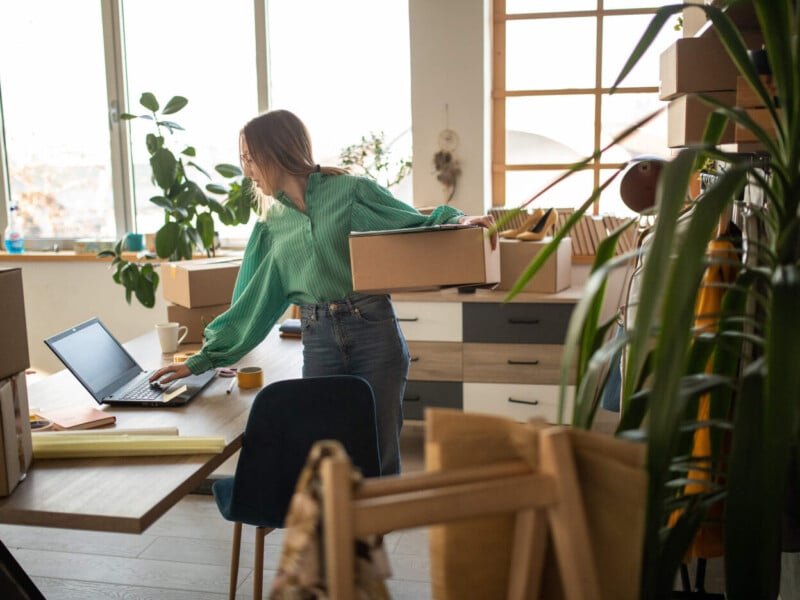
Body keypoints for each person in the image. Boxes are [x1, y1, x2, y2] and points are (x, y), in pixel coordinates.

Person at [150, 109, 496, 475]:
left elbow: (409, 221)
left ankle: (375, 529)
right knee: (327, 460)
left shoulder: (349, 193)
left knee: (379, 455)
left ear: (276, 152)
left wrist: (458, 221)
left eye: (250, 159)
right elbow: (252, 303)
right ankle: (337, 531)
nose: (247, 171)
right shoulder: (271, 226)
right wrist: (201, 359)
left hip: (374, 332)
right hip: (319, 342)